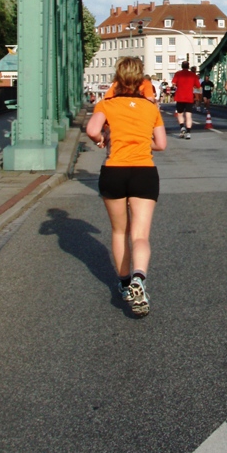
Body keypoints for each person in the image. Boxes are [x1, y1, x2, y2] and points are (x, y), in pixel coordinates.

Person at [85, 57, 167, 317]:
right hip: (144, 172)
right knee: (140, 235)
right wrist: (141, 142)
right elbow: (161, 144)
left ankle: (123, 285)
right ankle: (139, 278)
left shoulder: (106, 104)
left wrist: (103, 138)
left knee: (120, 231)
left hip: (114, 172)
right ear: (141, 80)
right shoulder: (150, 108)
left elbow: (91, 130)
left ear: (117, 78)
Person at [171, 60, 198, 139]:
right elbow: (198, 86)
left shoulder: (178, 74)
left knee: (180, 114)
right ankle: (188, 133)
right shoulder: (192, 75)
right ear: (188, 66)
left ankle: (182, 127)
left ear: (182, 66)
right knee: (188, 116)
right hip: (189, 97)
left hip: (180, 97)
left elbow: (173, 83)